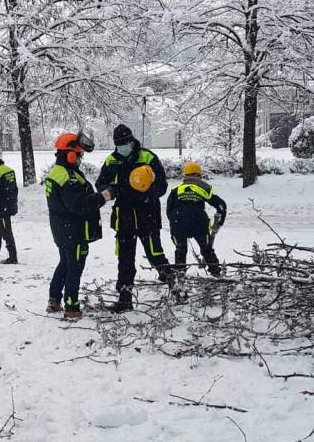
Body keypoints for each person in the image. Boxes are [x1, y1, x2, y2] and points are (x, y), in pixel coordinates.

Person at [95, 124, 171, 313]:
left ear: (131, 140)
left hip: (148, 217)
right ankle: (124, 299)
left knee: (156, 255)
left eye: (125, 142)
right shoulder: (111, 160)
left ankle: (176, 286)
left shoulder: (147, 157)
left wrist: (148, 195)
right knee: (125, 261)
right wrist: (111, 191)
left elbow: (162, 185)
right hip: (124, 218)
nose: (122, 146)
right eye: (118, 144)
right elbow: (100, 183)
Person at [45, 131, 113, 320]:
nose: (80, 158)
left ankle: (54, 299)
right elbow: (79, 204)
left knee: (65, 263)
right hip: (72, 230)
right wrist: (104, 196)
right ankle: (72, 307)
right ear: (70, 154)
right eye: (79, 155)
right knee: (74, 267)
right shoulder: (68, 177)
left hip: (62, 229)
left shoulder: (59, 171)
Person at [167, 161, 227, 276]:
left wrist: (175, 222)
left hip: (178, 220)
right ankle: (216, 272)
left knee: (180, 249)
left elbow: (169, 210)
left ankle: (180, 275)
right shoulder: (203, 188)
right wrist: (220, 221)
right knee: (207, 249)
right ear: (199, 175)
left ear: (184, 176)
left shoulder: (176, 190)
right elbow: (221, 205)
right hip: (198, 221)